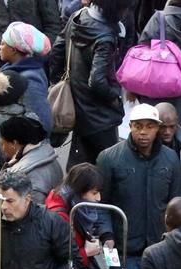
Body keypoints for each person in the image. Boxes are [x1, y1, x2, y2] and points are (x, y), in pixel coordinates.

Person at [98, 102, 181, 269]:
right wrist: (107, 236)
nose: (143, 132)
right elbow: (101, 204)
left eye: (150, 126)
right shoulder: (109, 158)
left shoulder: (171, 159)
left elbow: (179, 201)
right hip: (121, 251)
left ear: (157, 128)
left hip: (159, 248)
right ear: (130, 126)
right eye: (138, 126)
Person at [50, 0, 124, 165]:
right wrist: (114, 97)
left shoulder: (78, 16)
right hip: (100, 115)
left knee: (78, 168)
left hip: (78, 107)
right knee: (107, 168)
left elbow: (57, 51)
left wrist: (57, 82)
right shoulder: (105, 36)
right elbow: (97, 81)